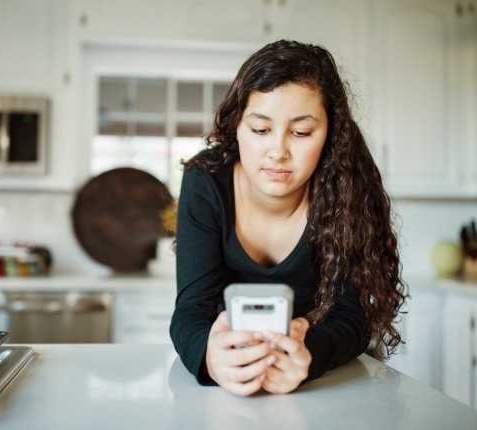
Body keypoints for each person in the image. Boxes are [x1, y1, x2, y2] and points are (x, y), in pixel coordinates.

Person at [170, 40, 407, 397]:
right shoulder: (205, 181)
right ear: (236, 126)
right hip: (229, 376)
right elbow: (191, 309)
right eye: (260, 130)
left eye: (301, 132)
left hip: (327, 380)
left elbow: (353, 318)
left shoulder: (349, 187)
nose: (278, 151)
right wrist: (209, 357)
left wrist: (308, 356)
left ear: (330, 134)